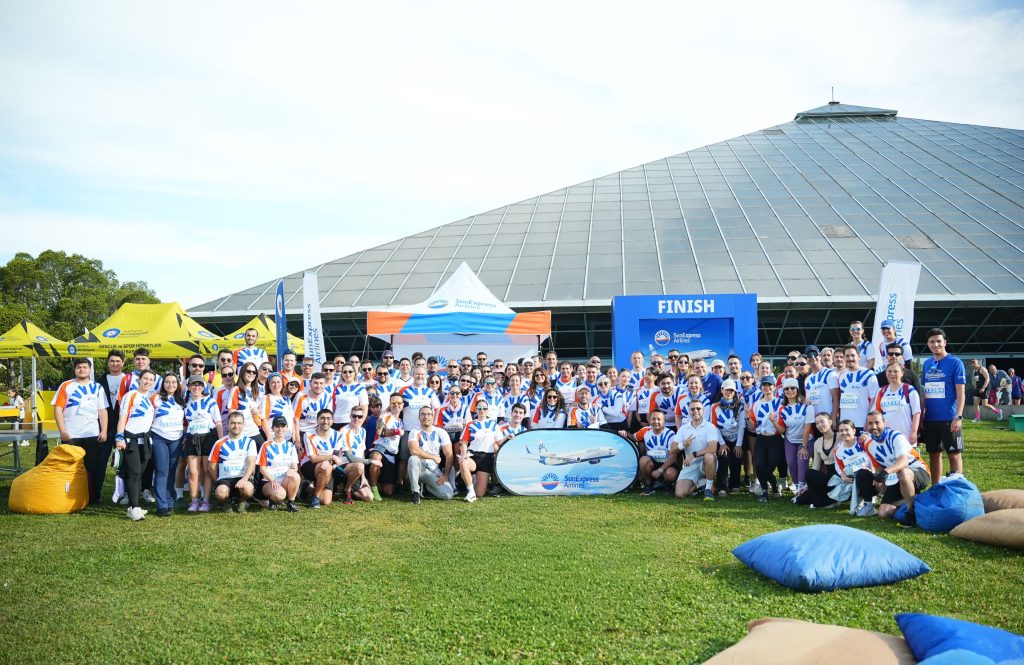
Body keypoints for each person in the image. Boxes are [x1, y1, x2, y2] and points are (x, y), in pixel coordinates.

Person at [53, 358, 110, 505]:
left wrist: (104, 430)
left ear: (89, 369)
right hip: (71, 433)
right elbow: (58, 409)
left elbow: (102, 410)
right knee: (71, 466)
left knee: (92, 467)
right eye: (79, 367)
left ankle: (93, 496)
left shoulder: (97, 387)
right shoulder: (66, 386)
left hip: (92, 433)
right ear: (75, 370)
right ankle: (70, 496)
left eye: (85, 367)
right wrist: (62, 430)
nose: (82, 369)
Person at [857, 411, 931, 520]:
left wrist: (885, 473)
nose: (874, 426)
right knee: (883, 513)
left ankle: (911, 512)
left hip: (917, 470)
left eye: (877, 422)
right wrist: (882, 484)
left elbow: (903, 462)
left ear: (884, 423)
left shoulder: (896, 436)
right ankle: (913, 498)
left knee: (903, 472)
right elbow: (878, 468)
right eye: (870, 423)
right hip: (895, 476)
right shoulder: (868, 444)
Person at [920, 328, 966, 484]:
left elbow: (961, 392)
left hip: (950, 418)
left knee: (954, 455)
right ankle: (936, 488)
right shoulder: (927, 364)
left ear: (945, 342)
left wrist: (958, 416)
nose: (935, 344)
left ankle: (957, 489)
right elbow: (924, 392)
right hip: (931, 419)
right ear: (928, 344)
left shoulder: (955, 362)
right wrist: (922, 415)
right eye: (932, 342)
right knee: (934, 454)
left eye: (939, 341)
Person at [114, 369, 156, 521]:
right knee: (134, 473)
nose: (148, 382)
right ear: (139, 379)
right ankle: (134, 508)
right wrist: (119, 437)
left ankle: (134, 505)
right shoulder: (131, 395)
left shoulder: (149, 399)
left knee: (140, 473)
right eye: (145, 378)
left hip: (144, 441)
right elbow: (122, 417)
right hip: (130, 439)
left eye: (151, 380)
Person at [182, 376, 223, 513]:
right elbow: (185, 424)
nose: (196, 387)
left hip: (208, 437)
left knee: (206, 470)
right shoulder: (185, 404)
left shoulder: (210, 401)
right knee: (193, 472)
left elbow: (218, 422)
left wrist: (221, 441)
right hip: (192, 438)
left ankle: (206, 500)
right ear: (188, 387)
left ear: (203, 387)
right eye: (193, 385)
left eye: (199, 385)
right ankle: (194, 500)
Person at [669, 400, 722, 500]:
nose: (695, 411)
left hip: (706, 462)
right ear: (689, 411)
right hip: (691, 464)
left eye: (698, 408)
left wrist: (693, 454)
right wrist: (683, 444)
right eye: (692, 409)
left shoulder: (710, 427)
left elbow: (713, 448)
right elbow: (672, 449)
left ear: (703, 410)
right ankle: (701, 483)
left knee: (709, 456)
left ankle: (708, 489)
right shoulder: (683, 428)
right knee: (680, 494)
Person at [149, 373, 185, 517]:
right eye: (167, 382)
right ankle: (161, 505)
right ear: (163, 384)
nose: (171, 385)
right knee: (161, 471)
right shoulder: (155, 397)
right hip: (159, 437)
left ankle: (170, 502)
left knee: (171, 471)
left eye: (174, 382)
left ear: (178, 384)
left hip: (176, 438)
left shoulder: (182, 399)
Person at [209, 411, 258, 513]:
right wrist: (217, 482)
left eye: (239, 423)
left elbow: (251, 463)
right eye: (233, 423)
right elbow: (212, 467)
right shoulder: (219, 443)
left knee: (248, 489)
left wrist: (244, 479)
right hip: (225, 479)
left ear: (243, 424)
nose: (236, 426)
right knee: (220, 492)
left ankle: (241, 501)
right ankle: (227, 501)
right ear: (228, 424)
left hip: (242, 477)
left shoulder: (250, 442)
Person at [407, 405, 455, 503]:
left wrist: (446, 475)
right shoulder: (414, 432)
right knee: (413, 459)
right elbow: (414, 450)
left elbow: (449, 454)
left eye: (429, 414)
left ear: (433, 417)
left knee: (448, 495)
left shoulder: (441, 432)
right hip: (419, 469)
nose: (426, 417)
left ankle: (426, 489)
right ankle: (415, 492)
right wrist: (433, 457)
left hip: (433, 471)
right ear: (419, 417)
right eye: (423, 414)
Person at [459, 402, 503, 502]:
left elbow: (499, 441)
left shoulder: (494, 424)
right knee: (463, 461)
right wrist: (464, 454)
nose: (482, 410)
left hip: (487, 458)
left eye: (484, 408)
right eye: (479, 408)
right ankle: (470, 491)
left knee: (479, 493)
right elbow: (464, 442)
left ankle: (474, 480)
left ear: (487, 410)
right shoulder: (470, 424)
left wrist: (508, 438)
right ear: (476, 410)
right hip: (473, 455)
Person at [794, 412, 840, 508]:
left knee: (809, 473)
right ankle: (829, 499)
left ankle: (826, 503)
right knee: (800, 500)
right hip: (828, 478)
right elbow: (816, 466)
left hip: (840, 476)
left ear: (830, 422)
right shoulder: (818, 442)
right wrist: (807, 486)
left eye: (822, 422)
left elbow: (853, 440)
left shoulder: (840, 437)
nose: (819, 425)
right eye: (817, 423)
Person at [332, 406, 376, 504]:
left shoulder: (363, 431)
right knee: (359, 465)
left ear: (363, 418)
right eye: (354, 416)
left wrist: (363, 477)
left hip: (356, 469)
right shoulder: (344, 431)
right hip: (341, 467)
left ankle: (345, 487)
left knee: (369, 497)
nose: (356, 419)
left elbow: (361, 455)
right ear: (350, 416)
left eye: (359, 417)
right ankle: (346, 490)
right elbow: (350, 458)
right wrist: (371, 461)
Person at [257, 416, 301, 511]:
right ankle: (273, 500)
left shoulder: (290, 446)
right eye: (277, 426)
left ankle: (291, 502)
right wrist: (272, 480)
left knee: (296, 476)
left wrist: (292, 470)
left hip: (285, 480)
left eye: (282, 426)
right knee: (279, 494)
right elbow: (262, 469)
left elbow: (294, 466)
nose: (280, 429)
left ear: (286, 428)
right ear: (272, 428)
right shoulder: (266, 445)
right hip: (269, 481)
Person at [749, 375, 782, 502]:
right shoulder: (756, 405)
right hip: (761, 438)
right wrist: (747, 417)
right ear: (761, 387)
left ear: (774, 387)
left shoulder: (780, 402)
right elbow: (752, 426)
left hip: (775, 438)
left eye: (769, 385)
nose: (767, 387)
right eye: (764, 385)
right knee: (759, 465)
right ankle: (764, 492)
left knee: (769, 469)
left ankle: (774, 484)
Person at [302, 409, 345, 508]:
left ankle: (307, 488)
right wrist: (330, 457)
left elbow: (336, 456)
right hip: (309, 465)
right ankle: (315, 498)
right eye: (322, 418)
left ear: (332, 421)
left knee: (326, 501)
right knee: (327, 467)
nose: (325, 421)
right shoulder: (308, 435)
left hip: (328, 465)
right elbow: (313, 458)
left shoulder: (337, 435)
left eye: (328, 418)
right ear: (317, 421)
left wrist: (329, 460)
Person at [801, 344, 839, 451]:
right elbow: (809, 401)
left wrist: (833, 418)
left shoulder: (830, 374)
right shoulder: (807, 379)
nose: (812, 357)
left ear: (819, 356)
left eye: (814, 354)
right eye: (809, 355)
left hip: (828, 420)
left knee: (833, 451)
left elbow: (836, 397)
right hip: (816, 422)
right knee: (820, 451)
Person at [873, 364, 921, 445]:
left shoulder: (909, 389)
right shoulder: (881, 391)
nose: (892, 374)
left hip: (906, 436)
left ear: (902, 373)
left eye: (895, 371)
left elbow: (916, 412)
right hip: (886, 436)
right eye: (889, 371)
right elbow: (877, 413)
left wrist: (914, 432)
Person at [775, 377, 808, 494]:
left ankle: (802, 487)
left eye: (793, 388)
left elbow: (808, 427)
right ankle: (797, 486)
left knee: (802, 462)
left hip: (806, 439)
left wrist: (804, 445)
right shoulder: (782, 408)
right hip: (790, 439)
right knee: (791, 463)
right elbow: (781, 430)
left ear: (797, 389)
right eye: (786, 389)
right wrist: (774, 421)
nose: (790, 390)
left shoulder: (806, 405)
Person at [370, 393, 405, 500]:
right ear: (390, 404)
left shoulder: (401, 421)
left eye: (399, 403)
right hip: (380, 448)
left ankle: (369, 482)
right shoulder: (385, 416)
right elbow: (380, 431)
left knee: (388, 491)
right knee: (376, 459)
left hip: (391, 455)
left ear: (402, 405)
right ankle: (373, 487)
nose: (396, 405)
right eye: (393, 402)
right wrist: (396, 431)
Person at [838, 345, 879, 434]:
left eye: (853, 355)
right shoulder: (841, 375)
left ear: (859, 357)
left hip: (862, 423)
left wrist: (869, 420)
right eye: (847, 356)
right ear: (844, 358)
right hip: (845, 424)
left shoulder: (869, 374)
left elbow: (874, 399)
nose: (850, 358)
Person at [636, 410, 678, 495]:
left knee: (670, 474)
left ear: (664, 421)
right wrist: (624, 432)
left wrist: (660, 470)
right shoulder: (645, 432)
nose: (656, 422)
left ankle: (666, 484)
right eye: (653, 419)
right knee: (643, 460)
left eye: (659, 419)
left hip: (667, 463)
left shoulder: (671, 434)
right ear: (649, 420)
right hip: (653, 462)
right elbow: (632, 437)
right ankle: (649, 485)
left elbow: (673, 456)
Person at [229, 362, 264, 444]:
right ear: (242, 372)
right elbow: (232, 412)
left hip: (255, 430)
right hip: (241, 432)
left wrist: (257, 412)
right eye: (248, 371)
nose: (251, 374)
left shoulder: (257, 389)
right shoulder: (236, 389)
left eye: (254, 372)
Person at [260, 373, 296, 444]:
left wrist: (294, 436)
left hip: (288, 438)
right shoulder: (266, 398)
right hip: (274, 437)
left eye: (278, 382)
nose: (276, 384)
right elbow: (264, 419)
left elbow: (291, 419)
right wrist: (269, 437)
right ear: (269, 385)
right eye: (273, 382)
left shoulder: (287, 399)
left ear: (282, 384)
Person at [332, 363, 369, 430]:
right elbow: (333, 408)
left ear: (355, 373)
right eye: (345, 372)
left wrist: (358, 426)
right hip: (336, 423)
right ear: (342, 374)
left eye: (350, 371)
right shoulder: (337, 388)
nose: (347, 374)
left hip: (351, 423)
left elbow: (364, 409)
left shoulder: (361, 388)